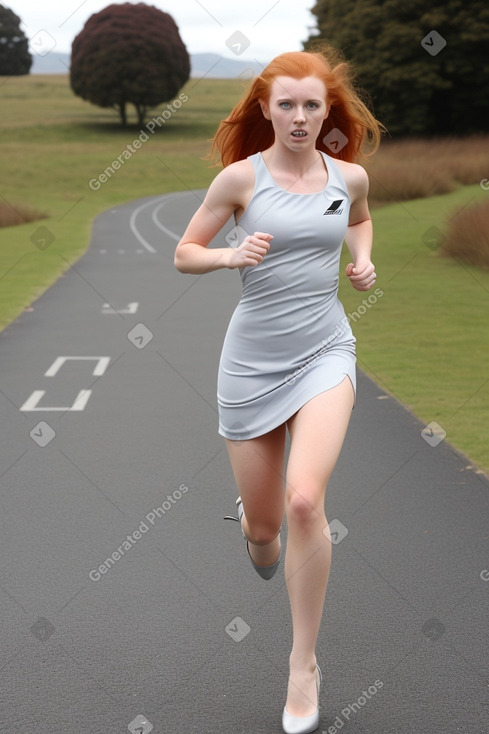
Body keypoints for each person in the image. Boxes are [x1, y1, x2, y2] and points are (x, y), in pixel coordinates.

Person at [174, 46, 383, 734]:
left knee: (303, 500)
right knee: (265, 537)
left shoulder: (345, 175)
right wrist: (230, 253)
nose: (298, 117)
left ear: (328, 112)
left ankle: (302, 665)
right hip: (250, 365)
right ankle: (251, 519)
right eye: (286, 104)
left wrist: (361, 260)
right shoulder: (239, 180)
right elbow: (185, 252)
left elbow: (356, 218)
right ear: (264, 108)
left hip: (324, 351)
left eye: (311, 105)